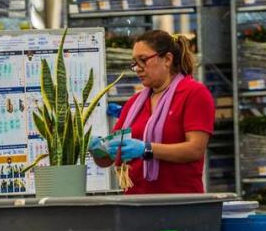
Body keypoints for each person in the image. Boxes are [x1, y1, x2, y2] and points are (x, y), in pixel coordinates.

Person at [89, 30, 215, 194]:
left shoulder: (194, 93)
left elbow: (195, 150)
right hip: (136, 203)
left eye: (143, 60)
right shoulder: (134, 104)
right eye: (134, 62)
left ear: (167, 59)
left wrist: (147, 149)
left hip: (180, 203)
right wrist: (98, 149)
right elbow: (107, 160)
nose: (138, 68)